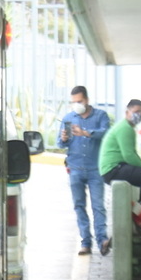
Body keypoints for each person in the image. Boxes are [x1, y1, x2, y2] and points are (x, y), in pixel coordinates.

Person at [57, 85, 111, 256]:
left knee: (98, 206)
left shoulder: (101, 116)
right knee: (79, 206)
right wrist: (63, 138)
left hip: (95, 168)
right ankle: (85, 242)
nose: (77, 105)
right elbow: (61, 143)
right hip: (75, 168)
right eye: (74, 102)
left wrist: (86, 133)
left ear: (86, 100)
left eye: (79, 101)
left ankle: (102, 240)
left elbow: (105, 134)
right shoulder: (69, 118)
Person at [99, 99, 141, 205]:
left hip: (117, 168)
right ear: (127, 112)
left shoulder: (128, 128)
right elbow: (129, 155)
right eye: (136, 111)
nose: (139, 114)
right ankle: (133, 205)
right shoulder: (125, 128)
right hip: (113, 169)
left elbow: (131, 153)